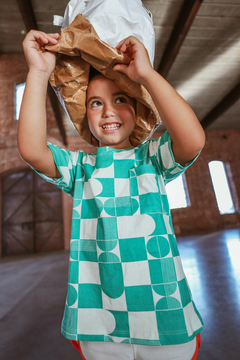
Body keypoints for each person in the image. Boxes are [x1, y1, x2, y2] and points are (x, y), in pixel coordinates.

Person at [18, 30, 205, 360]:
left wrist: (146, 73)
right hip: (99, 324)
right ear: (85, 118)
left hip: (163, 320)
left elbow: (193, 140)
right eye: (95, 103)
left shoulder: (152, 160)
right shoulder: (80, 169)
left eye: (121, 99)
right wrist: (38, 72)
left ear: (139, 109)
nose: (107, 111)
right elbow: (33, 150)